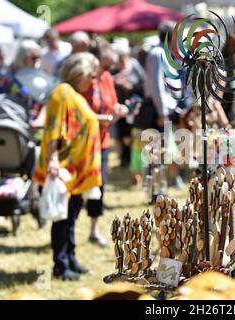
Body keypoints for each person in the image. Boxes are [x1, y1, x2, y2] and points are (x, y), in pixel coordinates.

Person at [34, 52, 102, 281]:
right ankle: (60, 266)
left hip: (75, 172)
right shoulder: (62, 92)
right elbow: (53, 128)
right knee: (62, 220)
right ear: (78, 72)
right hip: (63, 168)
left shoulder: (75, 95)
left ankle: (70, 258)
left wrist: (109, 118)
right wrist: (53, 159)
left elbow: (83, 121)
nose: (93, 81)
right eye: (91, 76)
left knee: (71, 218)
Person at [84, 40, 128, 247]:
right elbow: (83, 113)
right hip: (84, 142)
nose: (108, 69)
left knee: (99, 187)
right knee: (80, 188)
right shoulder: (85, 79)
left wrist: (119, 109)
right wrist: (107, 119)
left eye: (111, 66)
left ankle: (94, 229)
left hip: (102, 141)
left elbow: (112, 103)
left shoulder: (107, 77)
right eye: (106, 65)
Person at [144, 21, 184, 188]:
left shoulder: (163, 53)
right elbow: (157, 86)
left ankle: (159, 187)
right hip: (157, 109)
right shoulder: (157, 54)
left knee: (163, 149)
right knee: (157, 150)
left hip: (165, 108)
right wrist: (162, 112)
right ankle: (156, 189)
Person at [112, 38, 146, 184]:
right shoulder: (113, 69)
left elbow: (143, 84)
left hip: (135, 107)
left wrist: (130, 87)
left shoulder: (135, 65)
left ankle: (134, 169)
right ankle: (124, 160)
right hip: (119, 108)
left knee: (134, 137)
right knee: (121, 136)